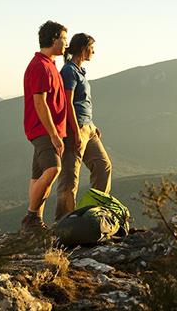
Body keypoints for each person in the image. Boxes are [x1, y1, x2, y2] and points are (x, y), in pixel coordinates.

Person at [54, 33, 113, 221]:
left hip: (88, 128)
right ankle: (64, 223)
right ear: (83, 48)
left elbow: (83, 103)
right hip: (75, 128)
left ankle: (93, 215)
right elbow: (68, 103)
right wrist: (75, 131)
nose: (94, 51)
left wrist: (92, 125)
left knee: (103, 166)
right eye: (92, 47)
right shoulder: (69, 71)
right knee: (70, 178)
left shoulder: (80, 71)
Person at [21, 20, 68, 233]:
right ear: (53, 39)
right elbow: (39, 102)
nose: (66, 44)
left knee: (37, 176)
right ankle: (31, 218)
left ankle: (35, 223)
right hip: (43, 130)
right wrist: (54, 135)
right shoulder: (40, 66)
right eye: (64, 39)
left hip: (44, 129)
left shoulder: (48, 64)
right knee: (53, 169)